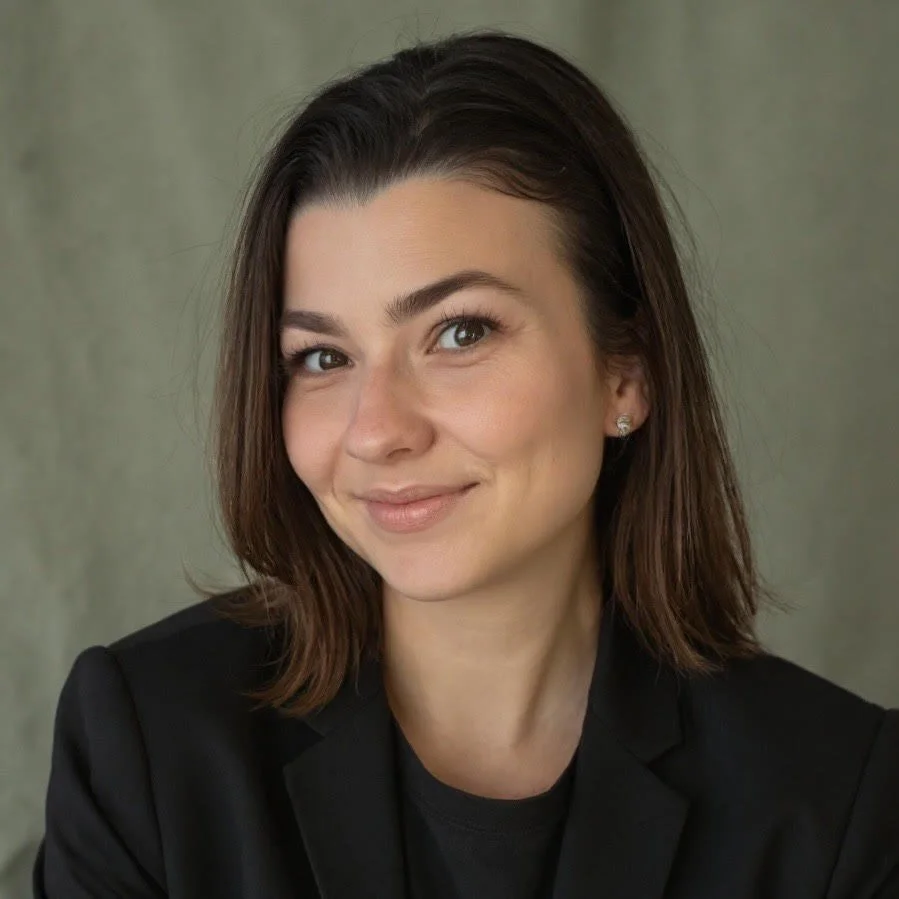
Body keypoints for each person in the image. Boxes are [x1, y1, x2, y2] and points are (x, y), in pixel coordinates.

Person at [33, 28, 898, 899]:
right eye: (323, 358)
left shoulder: (837, 799)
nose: (376, 431)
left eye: (459, 332)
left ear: (625, 372)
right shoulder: (147, 743)